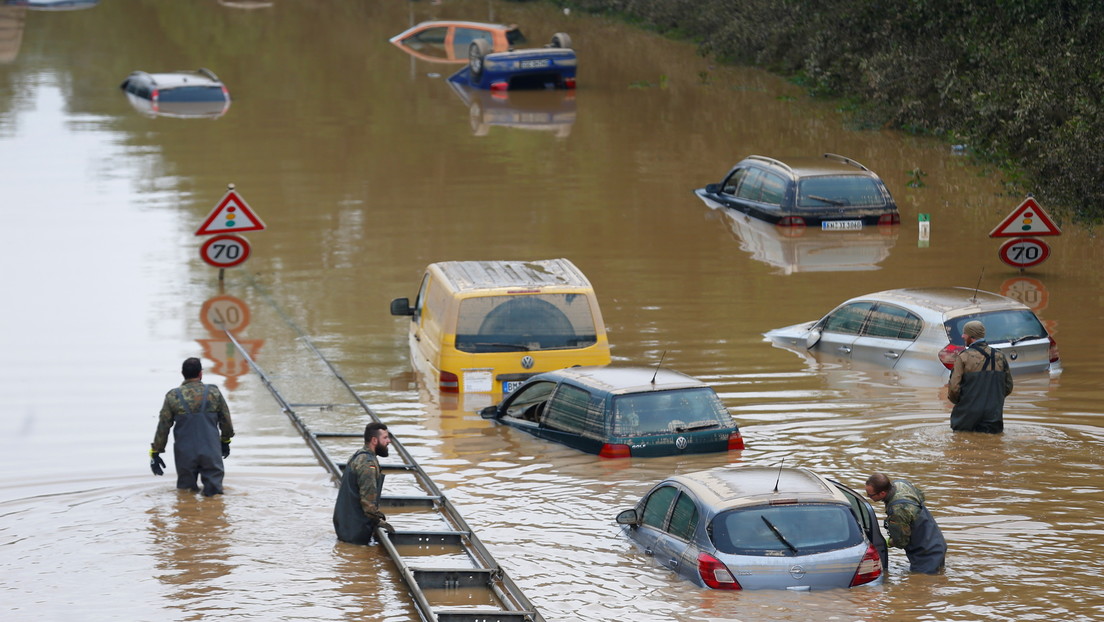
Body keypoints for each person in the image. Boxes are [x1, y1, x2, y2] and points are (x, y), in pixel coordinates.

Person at [150, 357, 235, 496]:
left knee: (185, 494)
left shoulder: (173, 396)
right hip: (211, 451)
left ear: (182, 373)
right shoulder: (213, 393)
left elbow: (163, 427)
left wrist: (156, 453)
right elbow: (226, 421)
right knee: (214, 495)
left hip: (185, 454)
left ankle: (187, 514)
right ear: (200, 373)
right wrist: (225, 441)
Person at [865, 473, 947, 574]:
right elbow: (921, 496)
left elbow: (901, 542)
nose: (868, 496)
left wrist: (886, 543)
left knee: (922, 584)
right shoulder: (900, 483)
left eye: (870, 494)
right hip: (937, 542)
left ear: (882, 493)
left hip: (925, 554)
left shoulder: (897, 511)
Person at [333, 422, 396, 544]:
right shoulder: (368, 464)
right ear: (374, 440)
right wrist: (379, 520)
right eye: (385, 438)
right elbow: (368, 502)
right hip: (355, 531)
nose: (389, 441)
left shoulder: (358, 455)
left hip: (344, 525)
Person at [947, 320, 1014, 433]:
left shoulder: (963, 357)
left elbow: (954, 388)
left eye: (965, 333)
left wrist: (963, 403)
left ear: (971, 336)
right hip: (993, 415)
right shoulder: (1000, 356)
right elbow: (1008, 387)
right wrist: (992, 400)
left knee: (962, 445)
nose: (963, 336)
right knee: (993, 446)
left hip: (966, 416)